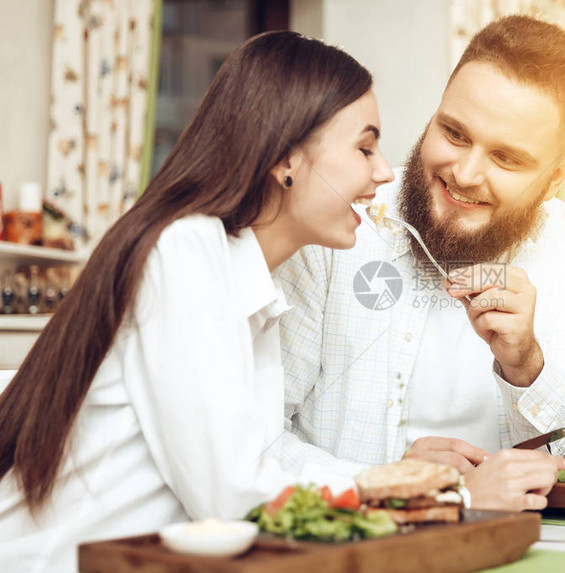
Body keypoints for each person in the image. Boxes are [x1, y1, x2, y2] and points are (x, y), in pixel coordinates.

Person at [0, 31, 394, 572]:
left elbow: (258, 463)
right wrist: (411, 492)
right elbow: (233, 496)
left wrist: (407, 479)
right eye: (365, 147)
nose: (384, 172)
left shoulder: (254, 284)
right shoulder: (183, 251)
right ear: (286, 159)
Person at [276, 15, 565, 512]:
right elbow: (251, 441)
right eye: (455, 134)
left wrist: (527, 365)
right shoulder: (335, 221)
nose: (464, 174)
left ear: (553, 179)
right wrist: (390, 485)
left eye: (506, 159)